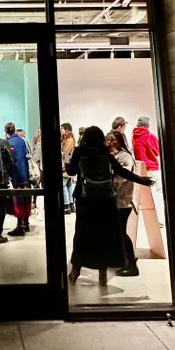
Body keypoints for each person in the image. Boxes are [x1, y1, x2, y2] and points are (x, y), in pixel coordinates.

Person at [66, 126, 153, 286]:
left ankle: (75, 271)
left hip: (85, 200)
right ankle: (102, 274)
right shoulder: (105, 152)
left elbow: (71, 172)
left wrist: (67, 164)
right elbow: (121, 171)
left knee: (82, 235)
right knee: (103, 236)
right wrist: (142, 180)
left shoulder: (80, 151)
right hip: (106, 200)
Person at [106, 132, 139, 277]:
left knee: (121, 234)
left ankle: (132, 264)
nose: (109, 143)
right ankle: (121, 261)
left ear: (120, 141)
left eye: (113, 140)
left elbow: (122, 176)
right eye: (108, 140)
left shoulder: (124, 156)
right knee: (116, 232)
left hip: (123, 201)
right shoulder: (113, 156)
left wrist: (109, 182)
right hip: (116, 200)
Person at [5, 122, 32, 236]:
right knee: (25, 199)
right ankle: (26, 223)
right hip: (25, 174)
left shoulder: (9, 143)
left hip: (16, 175)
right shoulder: (22, 141)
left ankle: (19, 226)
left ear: (6, 132)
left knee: (18, 201)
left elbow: (10, 160)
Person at [132, 116, 161, 192]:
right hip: (152, 167)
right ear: (147, 125)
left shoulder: (134, 137)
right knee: (157, 191)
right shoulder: (150, 137)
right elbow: (157, 152)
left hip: (140, 168)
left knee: (147, 192)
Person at [60, 123, 76, 214]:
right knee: (69, 184)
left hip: (66, 165)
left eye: (62, 128)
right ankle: (71, 204)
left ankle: (66, 205)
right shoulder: (67, 139)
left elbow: (65, 153)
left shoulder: (69, 140)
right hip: (68, 165)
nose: (60, 130)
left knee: (63, 184)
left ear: (66, 129)